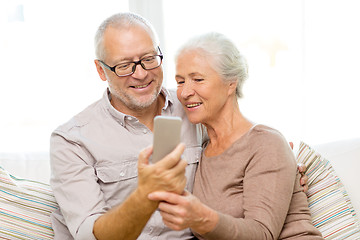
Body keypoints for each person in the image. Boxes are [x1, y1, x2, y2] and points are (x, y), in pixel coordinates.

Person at [50, 12, 308, 240]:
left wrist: (280, 175)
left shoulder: (193, 107)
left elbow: (243, 145)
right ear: (101, 70)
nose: (140, 74)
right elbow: (89, 235)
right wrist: (145, 195)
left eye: (149, 58)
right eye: (125, 66)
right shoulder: (73, 139)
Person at [148, 32, 324, 239]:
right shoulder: (199, 149)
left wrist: (202, 217)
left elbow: (262, 234)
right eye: (180, 82)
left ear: (231, 83)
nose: (185, 92)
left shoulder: (265, 143)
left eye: (198, 79)